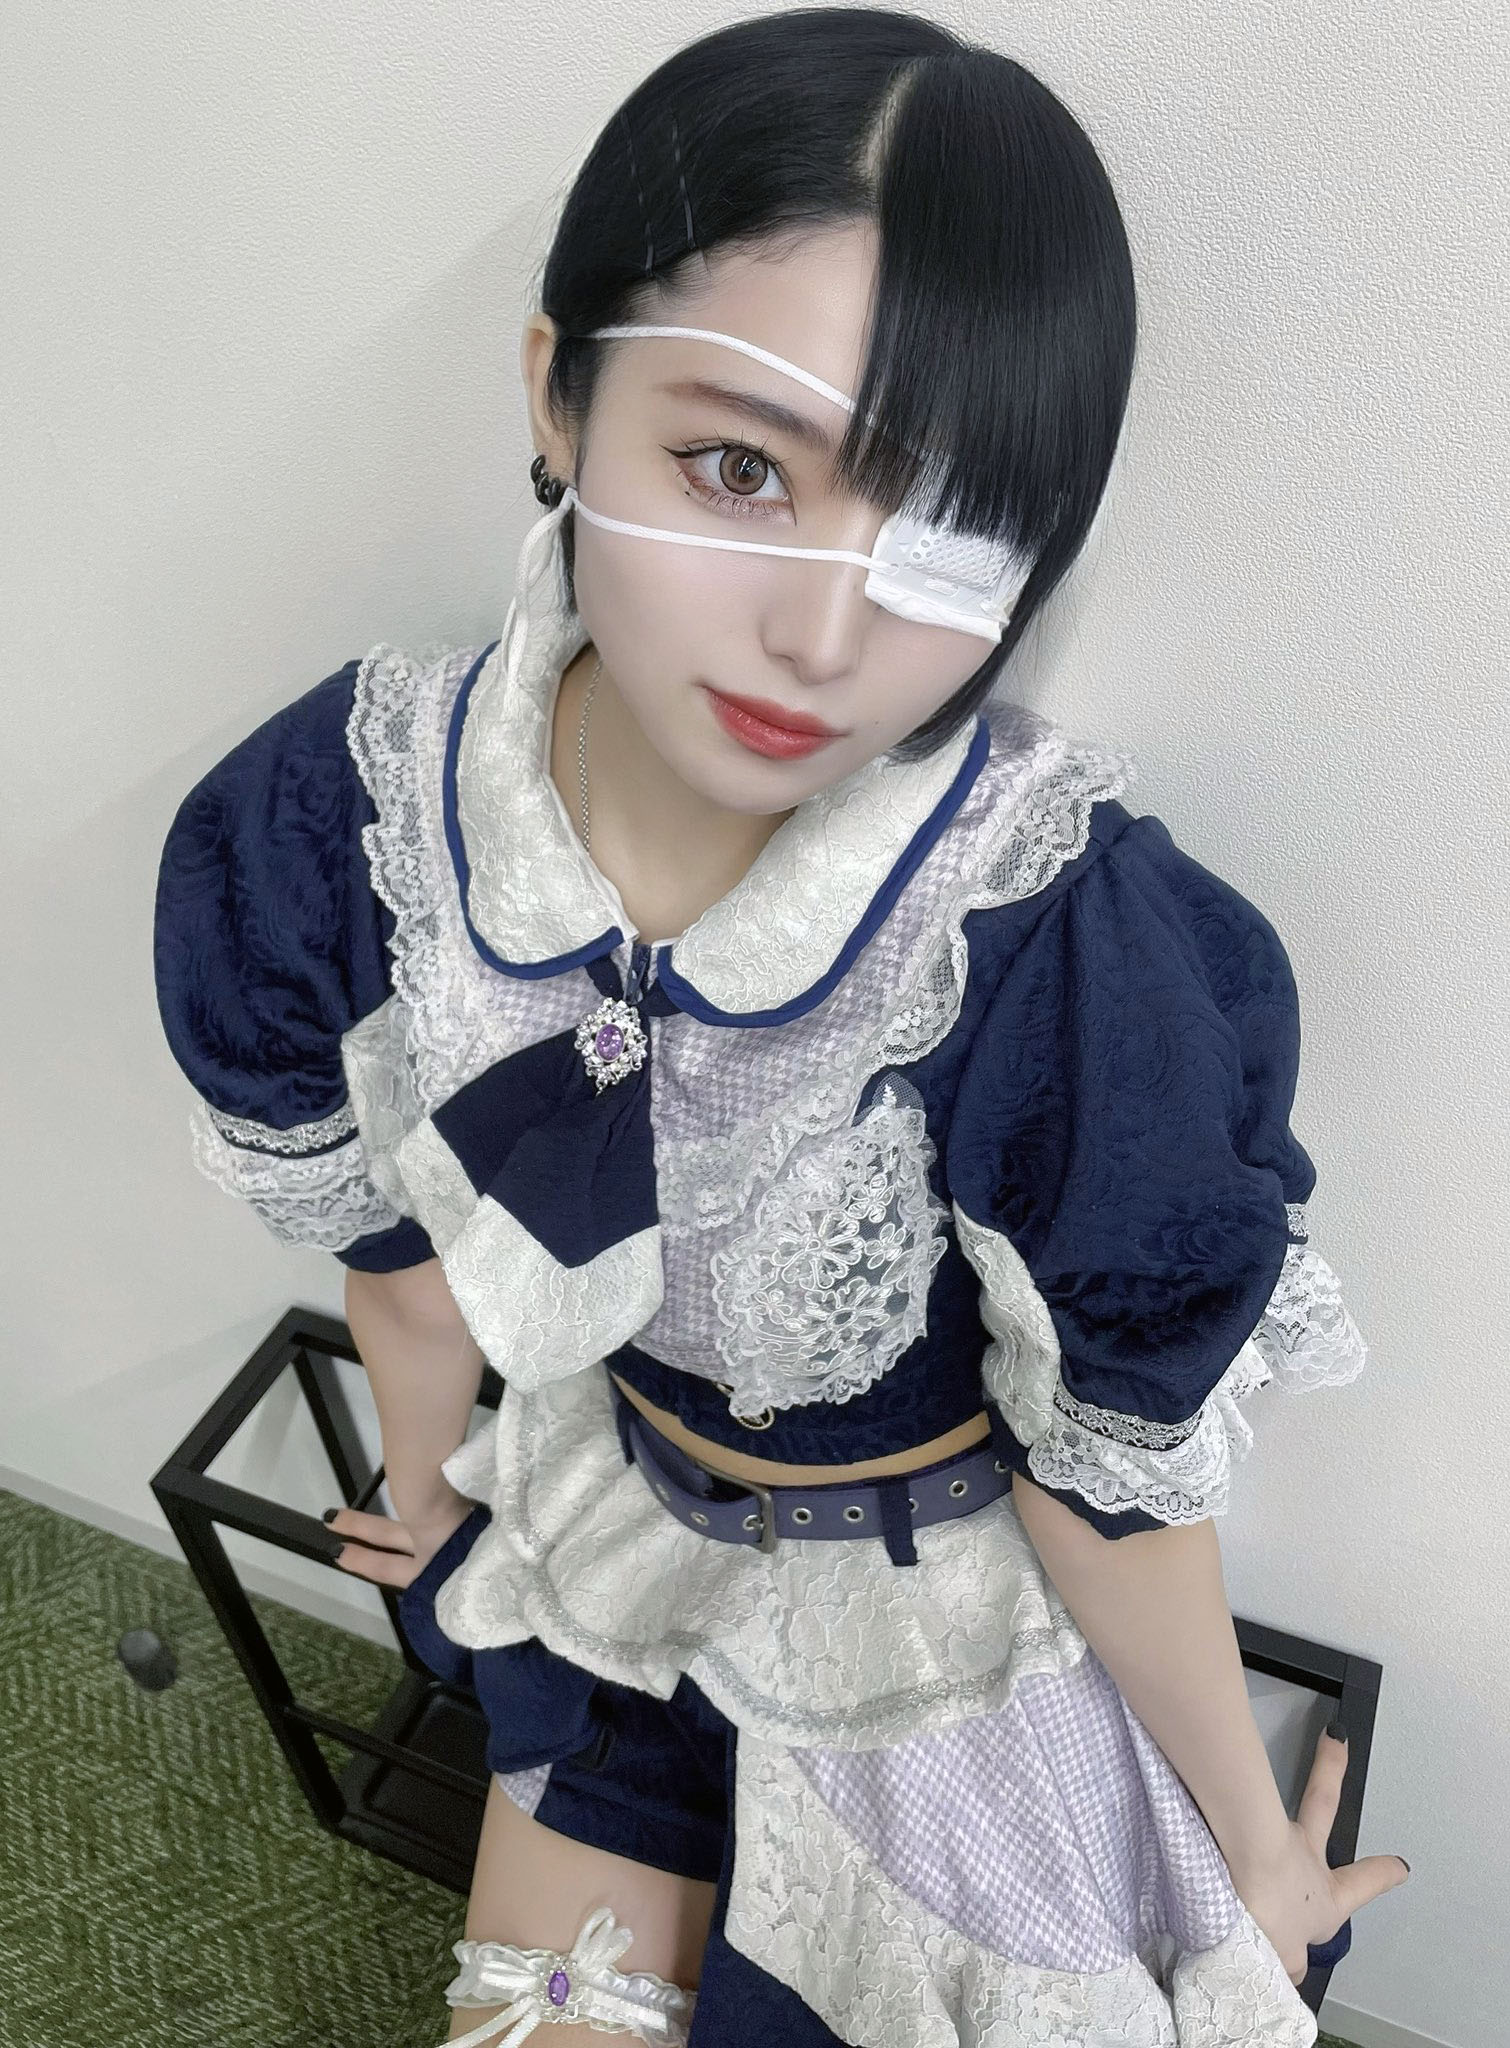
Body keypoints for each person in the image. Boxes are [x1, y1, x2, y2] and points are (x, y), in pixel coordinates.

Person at [152, 10, 1410, 2044]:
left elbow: (1108, 1486)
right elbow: (402, 1253)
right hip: (609, 1564)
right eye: (737, 467)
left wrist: (1253, 1851)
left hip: (934, 1652)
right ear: (559, 390)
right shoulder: (346, 821)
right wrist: (432, 1491)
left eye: (948, 532)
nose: (823, 638)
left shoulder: (1046, 932)